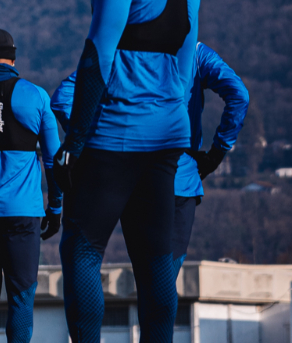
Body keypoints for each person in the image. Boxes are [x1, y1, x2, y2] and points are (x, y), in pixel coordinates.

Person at [52, 0, 199, 343]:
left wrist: (74, 140)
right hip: (166, 137)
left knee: (82, 250)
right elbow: (185, 68)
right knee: (155, 258)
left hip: (115, 134)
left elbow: (98, 55)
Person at [50, 40, 248, 277]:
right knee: (164, 282)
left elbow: (62, 99)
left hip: (132, 179)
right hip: (179, 178)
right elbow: (239, 95)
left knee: (145, 279)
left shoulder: (120, 53)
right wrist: (216, 154)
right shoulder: (196, 54)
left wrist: (99, 141)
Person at [0, 29, 61, 343]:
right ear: (14, 58)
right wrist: (56, 208)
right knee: (21, 300)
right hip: (23, 216)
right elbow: (53, 160)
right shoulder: (36, 96)